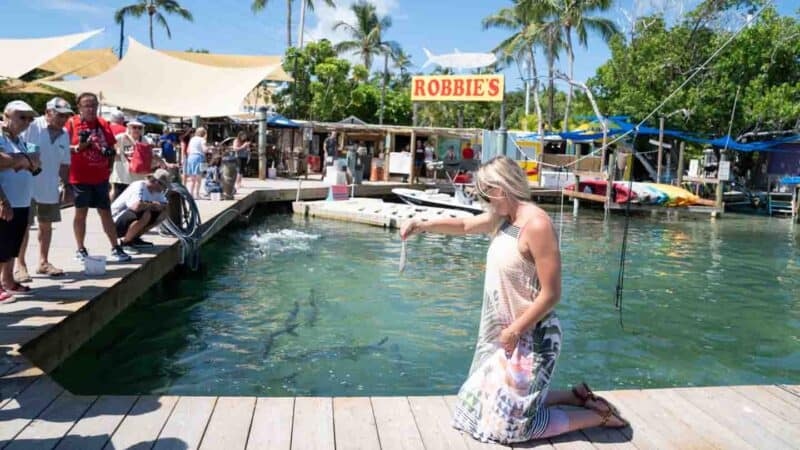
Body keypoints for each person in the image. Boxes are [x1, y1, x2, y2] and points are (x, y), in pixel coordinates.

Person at [400, 155, 628, 445]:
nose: (482, 200)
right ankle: (574, 397)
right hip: (507, 334)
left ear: (501, 189)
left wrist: (515, 330)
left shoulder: (536, 225)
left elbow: (552, 293)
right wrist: (421, 224)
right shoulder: (504, 219)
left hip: (534, 337)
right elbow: (466, 226)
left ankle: (601, 417)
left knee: (509, 430)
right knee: (472, 407)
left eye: (484, 194)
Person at [66, 92, 131, 262]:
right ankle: (80, 248)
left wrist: (109, 164)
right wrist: (79, 146)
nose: (91, 108)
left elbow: (111, 147)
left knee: (105, 212)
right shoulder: (72, 123)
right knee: (81, 213)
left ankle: (115, 247)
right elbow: (63, 147)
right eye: (86, 105)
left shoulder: (102, 123)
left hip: (100, 176)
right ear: (79, 107)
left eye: (94, 105)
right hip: (79, 177)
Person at [16, 97, 72, 281]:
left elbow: (65, 163)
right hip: (26, 184)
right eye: (60, 115)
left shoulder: (64, 133)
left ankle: (43, 262)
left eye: (66, 116)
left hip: (50, 186)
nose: (64, 119)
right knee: (23, 226)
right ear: (48, 113)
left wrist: (66, 184)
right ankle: (20, 265)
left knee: (46, 226)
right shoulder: (32, 126)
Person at [0, 101, 41, 301]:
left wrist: (20, 159)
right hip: (5, 200)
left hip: (21, 200)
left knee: (11, 245)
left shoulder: (18, 140)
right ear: (6, 116)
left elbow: (36, 162)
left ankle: (7, 280)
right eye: (21, 117)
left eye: (29, 118)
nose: (26, 122)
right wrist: (23, 160)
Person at [111, 169, 170, 254]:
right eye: (164, 186)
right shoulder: (139, 186)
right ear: (157, 183)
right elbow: (136, 206)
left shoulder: (157, 191)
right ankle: (125, 243)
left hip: (130, 216)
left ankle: (134, 238)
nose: (164, 189)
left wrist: (152, 205)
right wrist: (153, 204)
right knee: (146, 214)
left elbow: (165, 205)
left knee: (163, 214)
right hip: (115, 222)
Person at [110, 119, 154, 201]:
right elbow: (110, 145)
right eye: (134, 127)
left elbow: (151, 155)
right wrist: (116, 152)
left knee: (134, 204)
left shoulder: (145, 140)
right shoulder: (121, 137)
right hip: (122, 177)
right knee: (117, 201)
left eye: (140, 128)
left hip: (137, 178)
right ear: (129, 128)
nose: (137, 130)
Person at [185, 127, 209, 199]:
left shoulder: (192, 139)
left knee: (193, 179)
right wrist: (209, 148)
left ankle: (191, 194)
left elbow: (188, 151)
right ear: (204, 133)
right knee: (199, 178)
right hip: (199, 158)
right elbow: (205, 150)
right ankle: (197, 194)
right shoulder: (202, 140)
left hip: (190, 158)